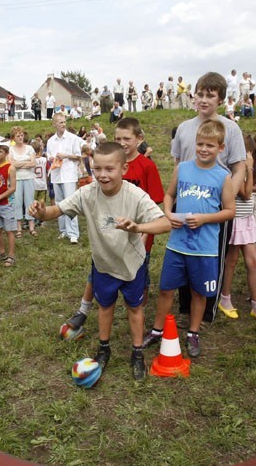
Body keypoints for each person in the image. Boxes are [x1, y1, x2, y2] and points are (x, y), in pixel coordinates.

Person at [29, 142, 170, 380]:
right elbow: (57, 211)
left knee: (135, 309)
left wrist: (138, 226)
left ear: (124, 169)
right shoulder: (87, 193)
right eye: (97, 169)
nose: (103, 175)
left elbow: (165, 223)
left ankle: (137, 353)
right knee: (105, 307)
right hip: (103, 264)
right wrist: (42, 212)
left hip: (131, 266)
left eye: (109, 169)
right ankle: (104, 348)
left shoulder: (135, 195)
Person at [62, 117, 165, 338]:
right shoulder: (107, 167)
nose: (121, 142)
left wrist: (142, 235)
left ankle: (137, 315)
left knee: (139, 283)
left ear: (139, 139)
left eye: (126, 138)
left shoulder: (146, 166)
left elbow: (154, 208)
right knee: (98, 274)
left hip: (137, 239)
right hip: (107, 237)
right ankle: (85, 310)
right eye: (117, 138)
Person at [142, 119, 236, 357]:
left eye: (210, 146)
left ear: (221, 148)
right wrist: (168, 212)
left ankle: (193, 332)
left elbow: (230, 211)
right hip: (177, 245)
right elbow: (169, 194)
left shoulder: (223, 176)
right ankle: (157, 330)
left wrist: (205, 219)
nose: (204, 149)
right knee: (166, 290)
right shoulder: (182, 168)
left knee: (199, 293)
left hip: (204, 249)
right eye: (200, 144)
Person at [170, 72, 247, 328]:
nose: (203, 100)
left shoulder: (231, 128)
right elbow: (178, 165)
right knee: (182, 253)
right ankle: (185, 308)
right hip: (187, 205)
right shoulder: (183, 129)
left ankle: (206, 311)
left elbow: (239, 168)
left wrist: (226, 201)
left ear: (221, 100)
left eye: (210, 96)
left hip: (215, 209)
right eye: (200, 94)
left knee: (212, 258)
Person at [218, 132, 256, 326]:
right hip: (235, 219)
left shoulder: (246, 168)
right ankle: (225, 298)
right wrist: (248, 168)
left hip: (246, 218)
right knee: (231, 261)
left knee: (253, 262)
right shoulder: (236, 170)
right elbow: (247, 193)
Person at [46, 113, 84, 244]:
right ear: (54, 124)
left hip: (69, 175)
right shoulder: (51, 141)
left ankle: (73, 233)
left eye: (64, 122)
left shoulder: (72, 138)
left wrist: (66, 156)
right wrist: (51, 159)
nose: (63, 124)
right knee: (59, 203)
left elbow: (78, 156)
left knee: (70, 204)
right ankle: (63, 231)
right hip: (56, 175)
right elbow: (49, 157)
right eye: (60, 122)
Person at [0, 137, 18, 267]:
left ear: (6, 153)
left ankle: (11, 255)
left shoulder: (10, 168)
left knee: (10, 230)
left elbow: (13, 188)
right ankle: (2, 251)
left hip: (7, 204)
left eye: (0, 151)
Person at [9, 126, 37, 237]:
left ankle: (31, 226)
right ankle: (18, 228)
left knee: (29, 201)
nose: (20, 137)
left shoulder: (30, 148)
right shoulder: (11, 149)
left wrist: (19, 163)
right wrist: (26, 161)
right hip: (16, 179)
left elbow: (33, 163)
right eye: (18, 136)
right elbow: (11, 164)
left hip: (29, 177)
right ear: (13, 138)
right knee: (17, 202)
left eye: (21, 135)